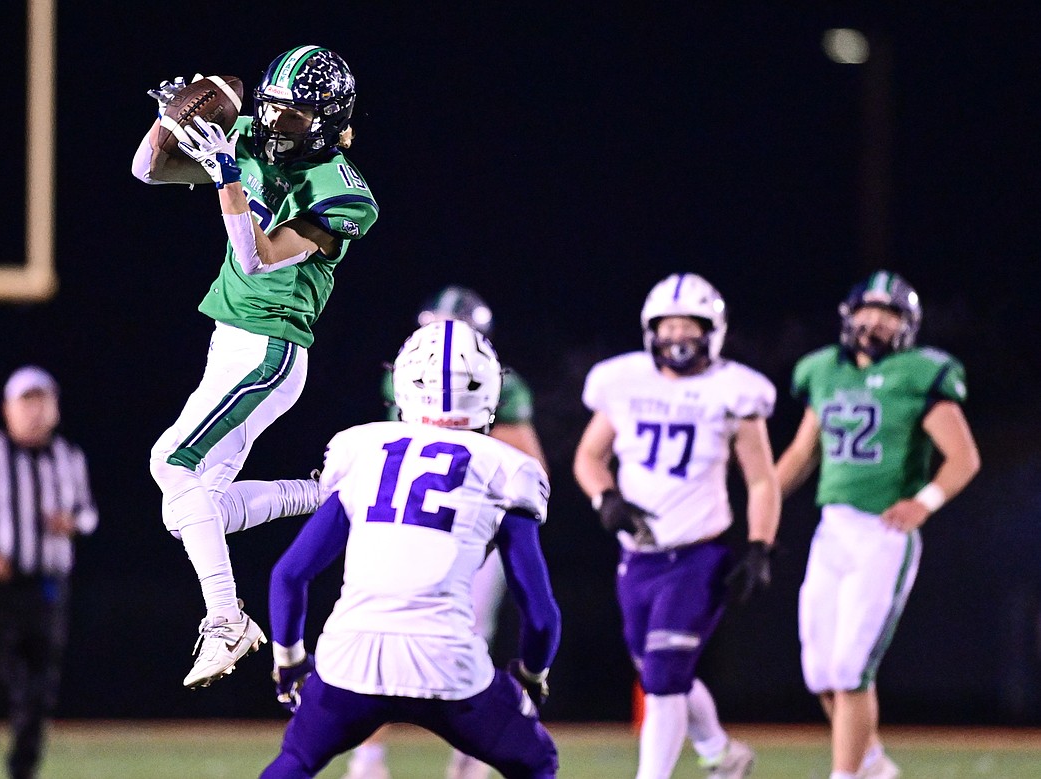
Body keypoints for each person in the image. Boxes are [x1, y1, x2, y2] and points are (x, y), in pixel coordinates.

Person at [131, 46, 379, 688]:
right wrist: (169, 120)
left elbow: (257, 260)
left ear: (325, 123)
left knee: (170, 464)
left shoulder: (343, 193)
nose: (274, 125)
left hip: (269, 350)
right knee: (187, 506)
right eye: (271, 108)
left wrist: (225, 178)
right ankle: (323, 493)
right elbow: (146, 173)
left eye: (293, 117)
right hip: (230, 342)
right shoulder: (250, 132)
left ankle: (226, 621)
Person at [262, 320, 561, 779]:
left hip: (353, 657)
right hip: (447, 662)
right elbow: (539, 613)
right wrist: (532, 677)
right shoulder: (508, 468)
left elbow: (290, 574)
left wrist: (290, 662)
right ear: (490, 392)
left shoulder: (361, 448)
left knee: (296, 762)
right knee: (537, 761)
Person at [774, 270, 981, 779]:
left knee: (850, 670)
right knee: (820, 671)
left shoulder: (920, 373)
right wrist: (760, 505)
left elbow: (964, 457)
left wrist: (924, 502)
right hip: (832, 531)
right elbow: (804, 452)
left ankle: (847, 775)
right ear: (849, 316)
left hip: (882, 535)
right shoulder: (823, 371)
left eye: (889, 314)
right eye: (869, 310)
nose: (876, 322)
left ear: (907, 325)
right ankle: (873, 765)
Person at [572, 273, 779, 779]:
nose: (679, 337)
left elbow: (762, 481)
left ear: (714, 331)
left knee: (664, 676)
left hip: (697, 554)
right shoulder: (623, 381)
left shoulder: (734, 389)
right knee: (660, 671)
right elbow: (587, 456)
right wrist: (605, 499)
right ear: (651, 330)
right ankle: (720, 754)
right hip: (637, 556)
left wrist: (759, 546)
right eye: (669, 326)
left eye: (691, 326)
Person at [346, 286, 549, 779]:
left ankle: (472, 750)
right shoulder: (403, 375)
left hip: (468, 528)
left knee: (467, 635)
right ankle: (368, 755)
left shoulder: (503, 386)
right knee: (373, 625)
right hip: (398, 519)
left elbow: (530, 465)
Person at [0, 366, 98, 779]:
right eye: (26, 402)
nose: (35, 411)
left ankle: (23, 767)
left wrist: (73, 523)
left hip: (48, 585)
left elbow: (89, 513)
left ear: (56, 409)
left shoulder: (69, 456)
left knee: (39, 684)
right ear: (8, 409)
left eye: (43, 401)